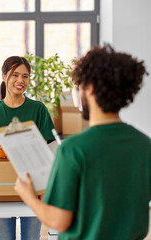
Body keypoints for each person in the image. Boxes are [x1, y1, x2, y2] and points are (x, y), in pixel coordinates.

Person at [14, 44, 151, 240]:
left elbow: (59, 221)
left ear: (90, 89)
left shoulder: (73, 149)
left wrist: (27, 195)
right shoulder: (144, 145)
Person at [0, 56, 55, 240]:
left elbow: (44, 147)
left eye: (26, 76)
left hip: (33, 185)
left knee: (31, 238)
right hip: (1, 185)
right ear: (4, 76)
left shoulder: (38, 109)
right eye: (15, 75)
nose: (21, 81)